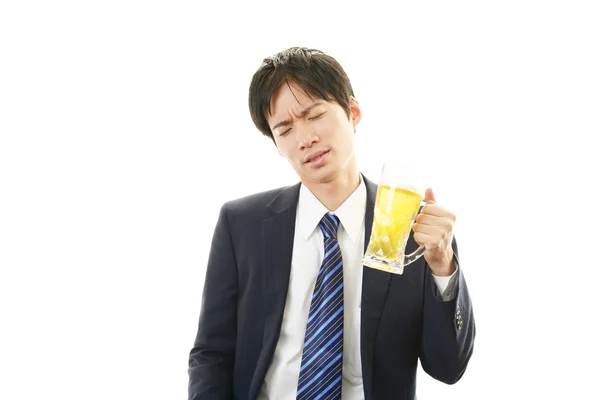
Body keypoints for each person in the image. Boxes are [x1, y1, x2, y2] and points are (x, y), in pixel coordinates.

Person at [188, 47, 475, 400]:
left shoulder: (411, 226)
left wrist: (442, 266)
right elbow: (211, 353)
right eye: (285, 129)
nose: (305, 138)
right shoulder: (242, 224)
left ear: (352, 112)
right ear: (277, 143)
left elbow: (447, 368)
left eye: (314, 115)